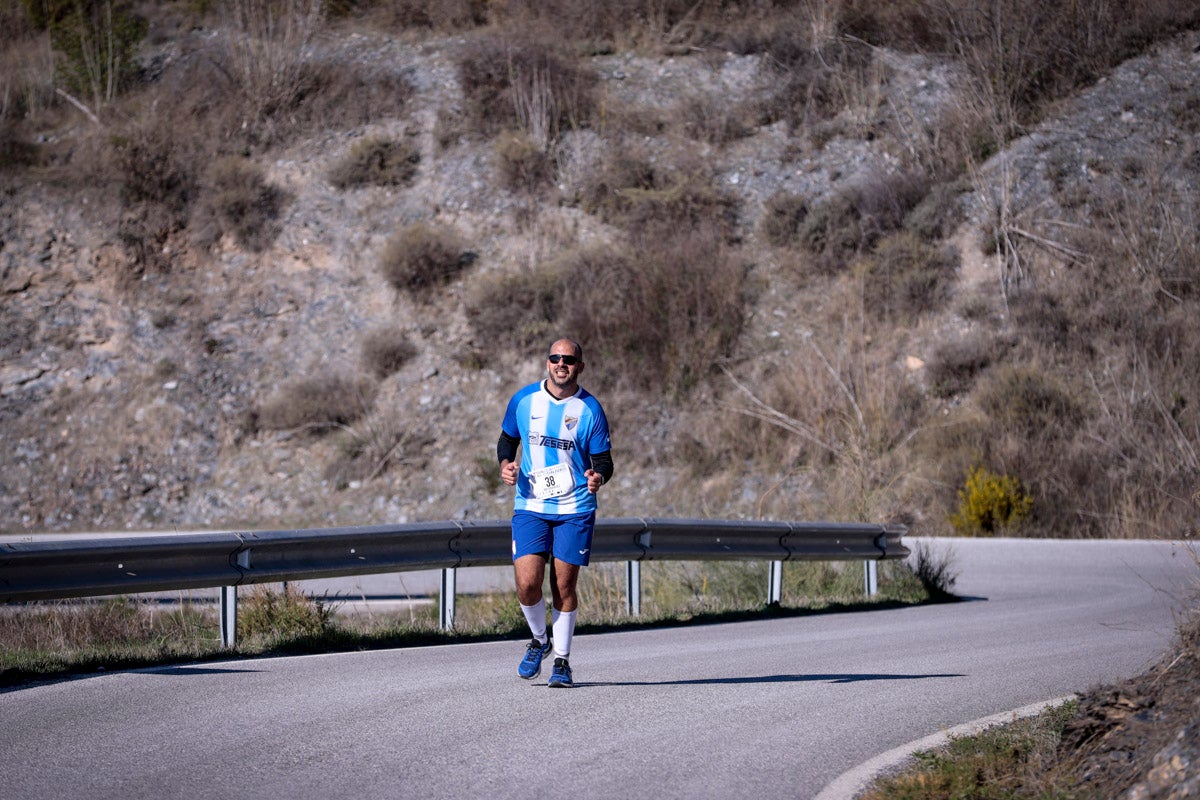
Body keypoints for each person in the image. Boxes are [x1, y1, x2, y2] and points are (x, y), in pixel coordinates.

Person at [497, 338, 614, 688]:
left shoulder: (590, 409)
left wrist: (598, 477)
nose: (561, 363)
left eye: (569, 359)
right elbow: (507, 440)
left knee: (563, 585)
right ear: (547, 362)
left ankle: (562, 661)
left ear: (580, 366)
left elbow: (604, 461)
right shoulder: (524, 399)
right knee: (527, 584)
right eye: (555, 358)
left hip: (574, 507)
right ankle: (539, 640)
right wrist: (506, 465)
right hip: (531, 504)